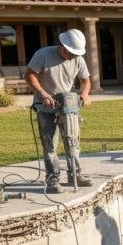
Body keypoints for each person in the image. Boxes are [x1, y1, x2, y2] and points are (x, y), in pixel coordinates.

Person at [25, 29, 92, 194]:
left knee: (73, 142)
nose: (73, 57)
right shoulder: (43, 55)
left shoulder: (78, 59)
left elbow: (85, 80)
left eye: (75, 54)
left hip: (68, 107)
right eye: (71, 53)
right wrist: (43, 94)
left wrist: (84, 93)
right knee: (50, 145)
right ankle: (52, 179)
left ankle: (75, 174)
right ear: (63, 46)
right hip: (45, 107)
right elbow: (29, 75)